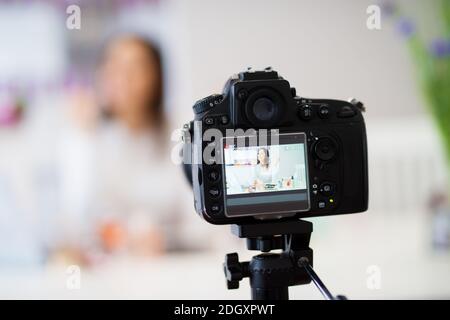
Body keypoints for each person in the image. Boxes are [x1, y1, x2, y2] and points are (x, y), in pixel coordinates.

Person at [58, 34, 185, 260]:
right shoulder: (88, 138)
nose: (122, 78)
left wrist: (162, 238)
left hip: (173, 262)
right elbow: (75, 220)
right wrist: (83, 137)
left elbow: (200, 218)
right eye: (113, 66)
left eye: (134, 67)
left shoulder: (180, 135)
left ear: (156, 77)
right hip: (112, 270)